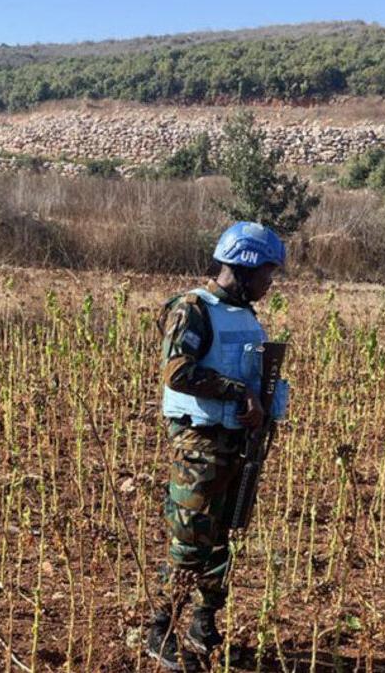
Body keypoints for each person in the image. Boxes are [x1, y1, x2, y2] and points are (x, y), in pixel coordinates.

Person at [147, 222, 289, 671]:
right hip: (199, 446)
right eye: (267, 273)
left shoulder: (246, 315)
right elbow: (178, 372)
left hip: (236, 444)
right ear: (244, 268)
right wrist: (237, 392)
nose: (270, 284)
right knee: (190, 540)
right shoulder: (193, 309)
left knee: (222, 539)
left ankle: (203, 623)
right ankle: (161, 628)